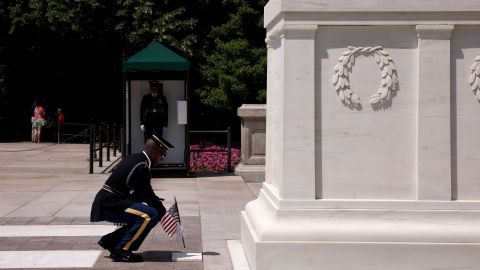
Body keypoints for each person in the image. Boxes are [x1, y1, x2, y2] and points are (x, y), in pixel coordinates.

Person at [90, 133, 174, 262]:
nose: (162, 157)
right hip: (110, 203)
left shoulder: (135, 158)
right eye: (161, 153)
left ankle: (111, 241)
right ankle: (122, 249)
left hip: (110, 200)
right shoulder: (142, 166)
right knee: (150, 215)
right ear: (152, 150)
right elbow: (146, 195)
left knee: (147, 213)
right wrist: (163, 213)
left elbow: (133, 188)